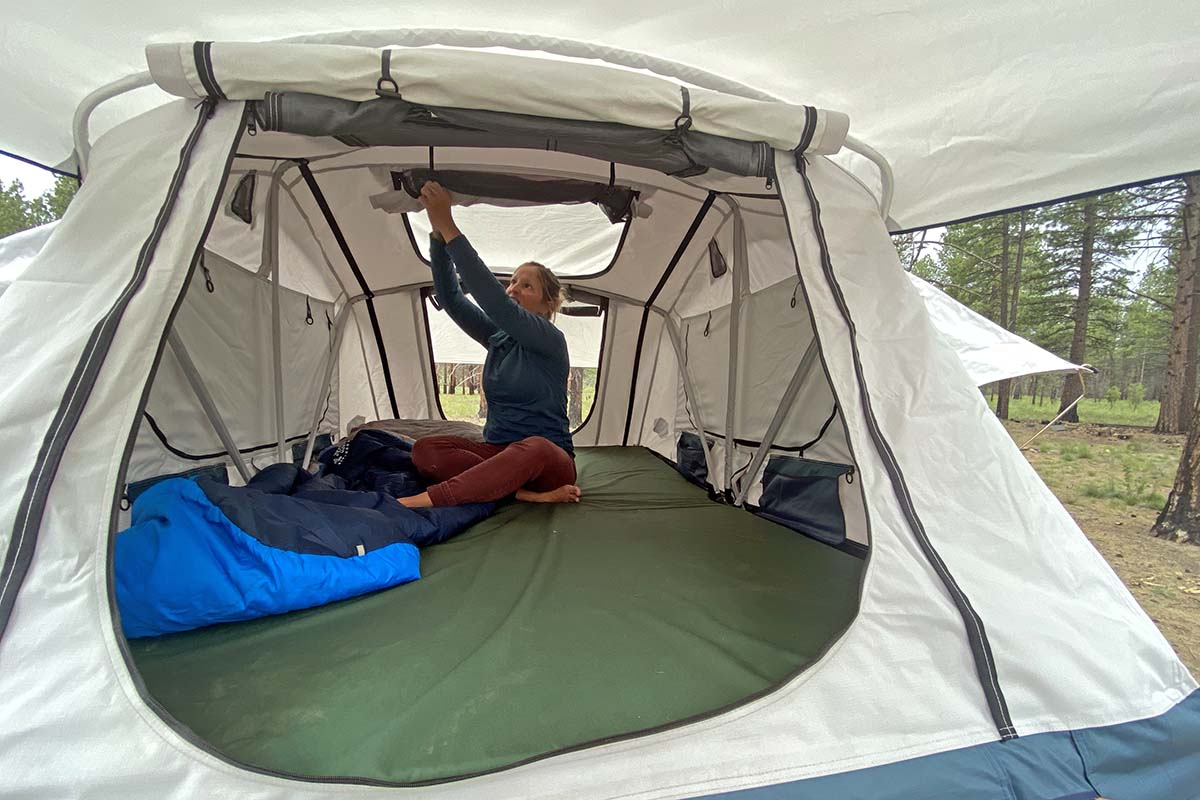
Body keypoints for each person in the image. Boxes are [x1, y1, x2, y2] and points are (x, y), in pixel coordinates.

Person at [398, 181, 582, 508]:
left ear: (547, 304)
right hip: (498, 452)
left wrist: (449, 225)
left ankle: (423, 501)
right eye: (511, 282)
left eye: (526, 286)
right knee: (427, 450)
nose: (512, 289)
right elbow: (451, 299)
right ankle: (519, 493)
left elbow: (497, 305)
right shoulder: (498, 337)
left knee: (534, 447)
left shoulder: (550, 341)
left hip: (549, 461)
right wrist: (438, 239)